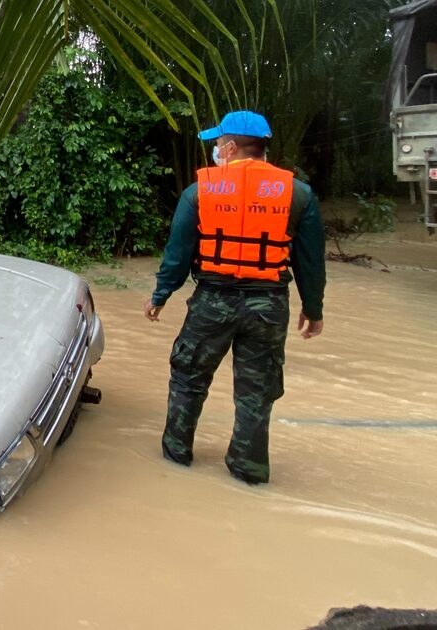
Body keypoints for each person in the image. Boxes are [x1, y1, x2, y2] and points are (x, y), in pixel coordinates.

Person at [143, 110, 326, 486]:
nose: (215, 149)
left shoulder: (200, 192)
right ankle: (248, 472)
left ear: (229, 147)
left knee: (188, 379)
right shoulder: (298, 194)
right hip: (268, 306)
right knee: (257, 393)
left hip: (212, 301)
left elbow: (178, 252)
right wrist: (313, 309)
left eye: (217, 143)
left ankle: (176, 460)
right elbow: (310, 261)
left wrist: (161, 294)